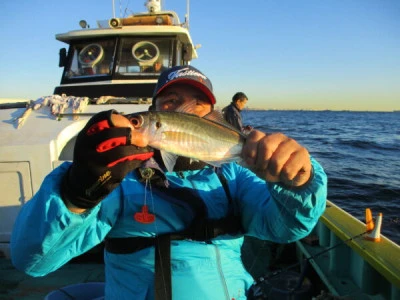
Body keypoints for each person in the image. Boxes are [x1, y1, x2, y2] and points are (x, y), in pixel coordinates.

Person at [11, 65, 327, 299]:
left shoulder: (235, 176)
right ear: (156, 110)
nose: (180, 108)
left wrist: (299, 181)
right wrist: (78, 190)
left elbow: (287, 228)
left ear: (211, 114)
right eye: (170, 99)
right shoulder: (122, 179)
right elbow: (33, 261)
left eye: (197, 104)